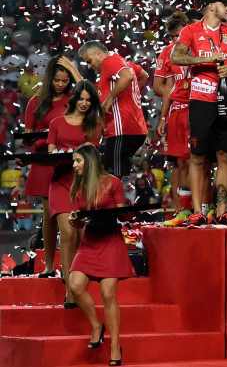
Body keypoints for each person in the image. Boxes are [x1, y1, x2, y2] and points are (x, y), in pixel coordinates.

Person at [171, 0, 227, 226]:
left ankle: (222, 211)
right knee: (198, 155)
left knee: (224, 154)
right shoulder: (190, 31)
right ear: (212, 6)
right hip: (201, 99)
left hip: (225, 100)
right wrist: (204, 61)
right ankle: (197, 211)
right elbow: (177, 57)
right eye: (226, 5)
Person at [67, 144, 134, 366]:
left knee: (108, 294)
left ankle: (115, 346)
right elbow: (78, 222)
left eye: (78, 161)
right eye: (74, 161)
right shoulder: (78, 187)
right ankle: (97, 325)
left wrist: (127, 212)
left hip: (110, 241)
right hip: (90, 241)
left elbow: (123, 216)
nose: (74, 165)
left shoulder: (113, 182)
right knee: (75, 285)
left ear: (89, 161)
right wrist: (74, 221)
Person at [48, 81, 103, 309]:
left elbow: (93, 158)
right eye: (81, 98)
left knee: (81, 237)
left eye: (88, 100)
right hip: (60, 183)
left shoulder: (94, 124)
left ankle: (77, 286)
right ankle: (70, 291)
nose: (84, 103)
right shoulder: (56, 123)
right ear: (74, 99)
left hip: (83, 185)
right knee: (68, 235)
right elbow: (51, 152)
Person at [22, 55, 79, 276]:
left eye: (65, 81)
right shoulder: (35, 101)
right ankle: (48, 264)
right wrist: (45, 139)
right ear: (49, 79)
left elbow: (88, 104)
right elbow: (28, 138)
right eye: (57, 80)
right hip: (44, 162)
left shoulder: (74, 99)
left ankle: (72, 264)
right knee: (49, 215)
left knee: (69, 215)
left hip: (66, 162)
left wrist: (73, 69)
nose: (60, 84)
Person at [77, 41, 148, 178]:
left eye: (89, 60)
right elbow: (143, 75)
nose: (90, 65)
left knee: (112, 175)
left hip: (121, 129)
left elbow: (127, 76)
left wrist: (109, 99)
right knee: (116, 172)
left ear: (98, 53)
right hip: (134, 127)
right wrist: (132, 95)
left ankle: (116, 200)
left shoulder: (109, 61)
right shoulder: (124, 63)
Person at [154, 11, 194, 227]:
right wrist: (162, 117)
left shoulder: (198, 47)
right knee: (179, 163)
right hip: (178, 111)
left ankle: (199, 208)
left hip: (198, 108)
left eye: (178, 35)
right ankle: (181, 210)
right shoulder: (167, 53)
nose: (175, 41)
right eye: (171, 37)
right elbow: (160, 86)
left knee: (198, 161)